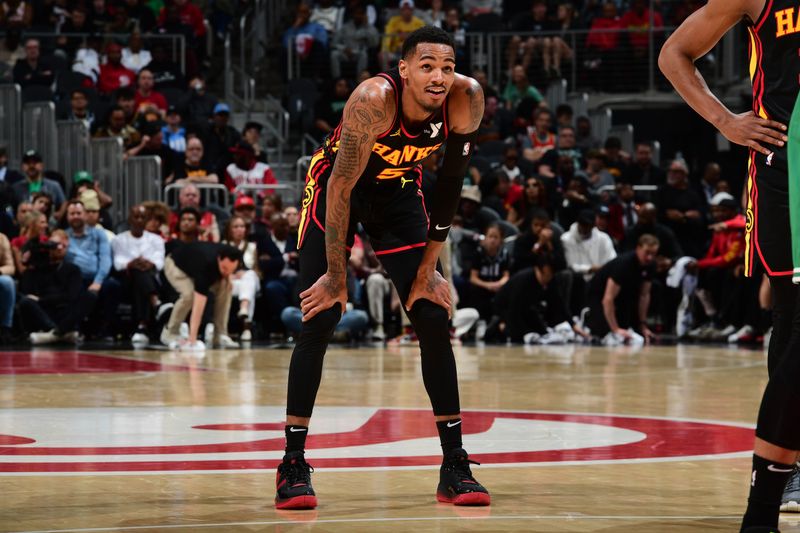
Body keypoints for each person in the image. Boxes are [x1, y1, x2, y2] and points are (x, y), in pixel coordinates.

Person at [278, 27, 489, 510]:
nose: (439, 77)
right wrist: (336, 276)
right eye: (428, 66)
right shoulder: (373, 100)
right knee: (322, 315)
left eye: (447, 67)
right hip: (336, 191)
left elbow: (451, 187)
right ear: (405, 69)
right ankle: (292, 463)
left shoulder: (466, 99)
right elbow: (340, 188)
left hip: (397, 193)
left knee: (432, 314)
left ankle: (454, 464)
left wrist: (428, 269)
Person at [160, 242, 242, 351]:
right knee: (189, 295)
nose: (227, 273)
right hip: (176, 265)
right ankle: (170, 332)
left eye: (231, 270)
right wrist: (192, 339)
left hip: (194, 264)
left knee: (226, 287)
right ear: (219, 259)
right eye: (224, 268)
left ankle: (220, 335)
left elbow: (227, 271)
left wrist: (228, 276)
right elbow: (199, 305)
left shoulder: (230, 255)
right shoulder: (205, 264)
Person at [18, 230, 89, 345]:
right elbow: (28, 293)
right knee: (25, 301)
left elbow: (71, 296)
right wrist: (29, 261)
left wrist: (42, 300)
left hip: (64, 312)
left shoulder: (73, 269)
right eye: (55, 245)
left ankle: (53, 335)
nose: (59, 248)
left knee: (89, 296)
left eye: (63, 245)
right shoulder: (38, 268)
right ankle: (60, 334)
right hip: (43, 313)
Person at [585, 233, 658, 344]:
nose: (650, 257)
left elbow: (644, 295)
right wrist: (615, 329)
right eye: (647, 253)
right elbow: (608, 298)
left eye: (653, 254)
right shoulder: (624, 264)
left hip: (622, 295)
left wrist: (643, 325)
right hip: (598, 295)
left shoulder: (651, 265)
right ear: (638, 248)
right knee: (605, 333)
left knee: (631, 333)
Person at [112, 205, 165, 345]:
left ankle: (141, 326)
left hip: (151, 278)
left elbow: (160, 262)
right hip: (126, 280)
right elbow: (118, 263)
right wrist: (131, 264)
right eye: (136, 217)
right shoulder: (119, 239)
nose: (139, 220)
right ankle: (155, 302)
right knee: (137, 271)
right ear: (129, 219)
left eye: (143, 217)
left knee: (141, 275)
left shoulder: (156, 239)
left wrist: (150, 263)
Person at [221, 215, 260, 341]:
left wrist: (245, 272)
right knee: (246, 291)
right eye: (236, 226)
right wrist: (230, 275)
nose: (239, 229)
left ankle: (245, 318)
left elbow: (255, 268)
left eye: (242, 226)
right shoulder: (223, 245)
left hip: (249, 280)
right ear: (230, 230)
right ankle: (243, 323)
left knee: (249, 277)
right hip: (230, 281)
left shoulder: (252, 247)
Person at [380, 0, 426, 71]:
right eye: (404, 9)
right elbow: (387, 37)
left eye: (408, 9)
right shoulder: (393, 21)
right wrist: (384, 50)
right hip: (395, 52)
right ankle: (387, 76)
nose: (406, 12)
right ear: (400, 10)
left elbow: (423, 40)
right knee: (382, 55)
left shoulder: (419, 23)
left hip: (413, 52)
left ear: (412, 10)